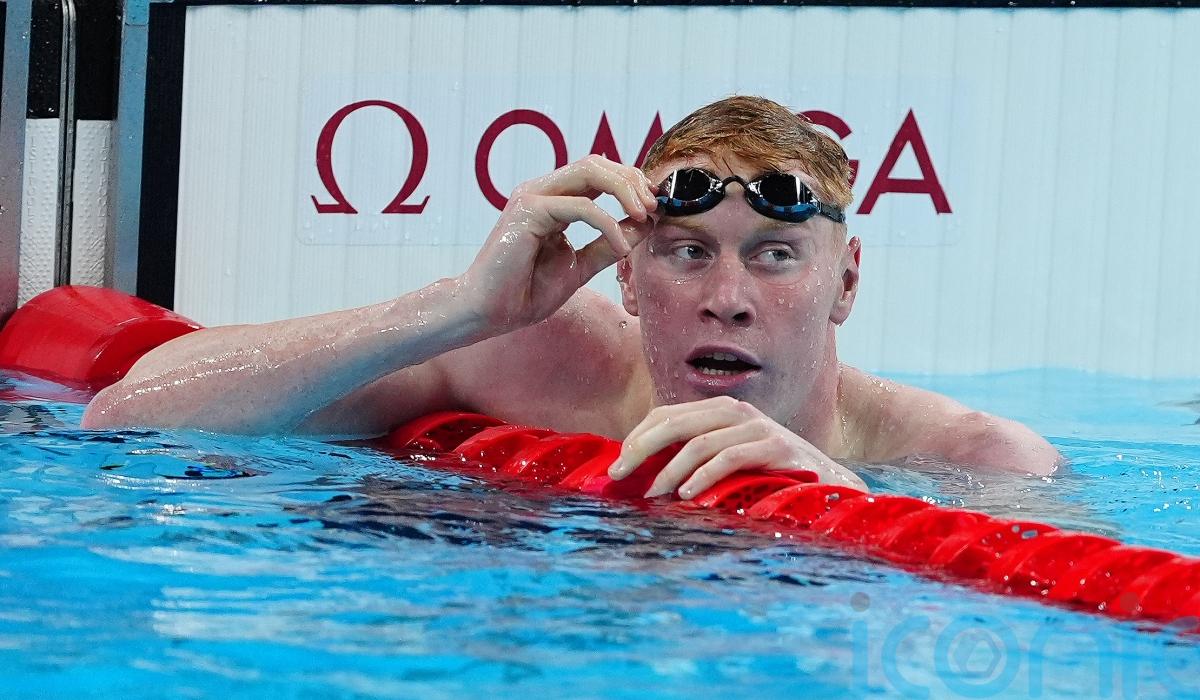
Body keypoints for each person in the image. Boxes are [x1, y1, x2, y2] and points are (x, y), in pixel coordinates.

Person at [82, 96, 1061, 496]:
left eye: (773, 256)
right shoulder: (546, 356)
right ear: (626, 274)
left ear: (844, 283)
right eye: (686, 253)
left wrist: (845, 507)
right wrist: (460, 308)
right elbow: (128, 416)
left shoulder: (975, 460)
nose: (727, 298)